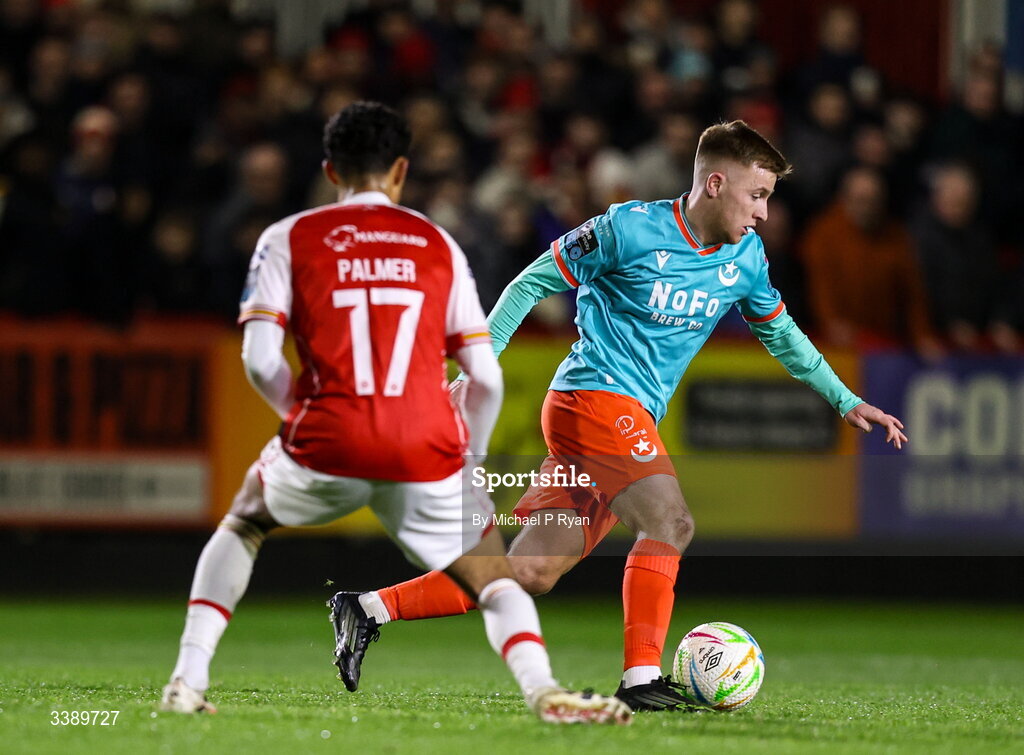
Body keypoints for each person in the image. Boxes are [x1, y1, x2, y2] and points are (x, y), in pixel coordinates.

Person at [329, 120, 907, 712]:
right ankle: (640, 679)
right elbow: (530, 284)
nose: (763, 214)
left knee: (531, 571)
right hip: (592, 399)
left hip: (623, 416)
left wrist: (846, 399)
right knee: (671, 523)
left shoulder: (746, 257)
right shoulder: (628, 229)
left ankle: (367, 608)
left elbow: (782, 334)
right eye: (756, 195)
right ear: (714, 183)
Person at [160, 101, 631, 726]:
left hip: (328, 432)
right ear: (401, 170)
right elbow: (484, 375)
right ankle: (544, 690)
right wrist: (470, 459)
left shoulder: (289, 237)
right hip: (425, 440)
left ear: (331, 170)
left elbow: (257, 356)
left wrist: (296, 410)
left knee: (245, 523)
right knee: (493, 575)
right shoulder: (437, 244)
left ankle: (187, 679)